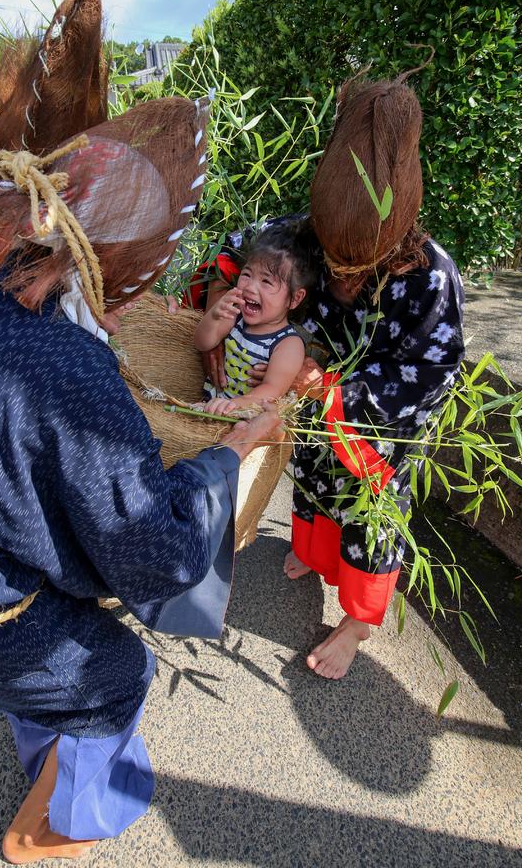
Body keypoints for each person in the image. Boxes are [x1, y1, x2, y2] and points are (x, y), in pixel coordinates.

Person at [0, 0, 281, 865]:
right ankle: (49, 830)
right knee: (116, 670)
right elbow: (152, 549)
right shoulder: (74, 370)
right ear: (107, 268)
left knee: (58, 623)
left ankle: (42, 742)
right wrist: (227, 457)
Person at [201, 72, 465, 681]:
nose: (343, 277)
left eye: (360, 266)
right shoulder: (301, 235)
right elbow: (231, 253)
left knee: (368, 517)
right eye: (333, 263)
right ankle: (315, 558)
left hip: (373, 436)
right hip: (312, 417)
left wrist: (334, 389)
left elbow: (429, 372)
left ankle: (358, 621)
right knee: (315, 485)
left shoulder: (431, 276)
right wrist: (220, 312)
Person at [196, 219, 311, 415]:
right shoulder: (235, 315)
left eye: (266, 281)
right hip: (207, 407)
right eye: (247, 274)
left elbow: (272, 389)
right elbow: (202, 343)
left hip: (240, 419)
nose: (250, 287)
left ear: (295, 298)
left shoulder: (288, 344)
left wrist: (235, 405)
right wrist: (214, 315)